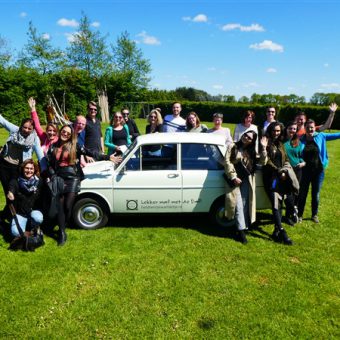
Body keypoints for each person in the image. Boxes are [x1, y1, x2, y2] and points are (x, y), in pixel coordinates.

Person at [47, 125, 121, 246]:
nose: (65, 134)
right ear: (60, 132)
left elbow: (90, 152)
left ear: (71, 136)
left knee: (67, 205)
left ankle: (63, 223)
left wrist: (108, 157)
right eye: (64, 131)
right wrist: (52, 175)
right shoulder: (53, 147)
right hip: (59, 177)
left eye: (68, 133)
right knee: (60, 205)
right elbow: (50, 164)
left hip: (73, 177)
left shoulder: (74, 146)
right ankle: (62, 232)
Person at [0, 114, 46, 222]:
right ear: (21, 126)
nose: (26, 130)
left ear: (33, 129)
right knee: (8, 191)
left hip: (18, 168)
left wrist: (45, 170)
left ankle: (7, 216)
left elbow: (40, 154)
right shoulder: (15, 130)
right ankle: (9, 216)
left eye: (29, 128)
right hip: (4, 165)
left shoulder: (34, 139)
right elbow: (3, 121)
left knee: (14, 192)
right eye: (24, 127)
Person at [224, 131, 267, 244]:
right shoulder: (233, 146)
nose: (246, 138)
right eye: (245, 135)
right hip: (234, 180)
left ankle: (241, 228)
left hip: (247, 180)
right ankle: (242, 232)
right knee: (237, 204)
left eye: (249, 138)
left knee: (244, 204)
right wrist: (233, 176)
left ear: (252, 141)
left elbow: (263, 161)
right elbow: (227, 161)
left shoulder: (252, 151)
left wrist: (263, 148)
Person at [297, 119, 340, 223]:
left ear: (314, 127)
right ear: (305, 128)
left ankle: (314, 215)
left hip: (318, 172)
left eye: (312, 127)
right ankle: (299, 215)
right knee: (302, 194)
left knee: (315, 194)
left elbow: (336, 135)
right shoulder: (301, 139)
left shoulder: (321, 136)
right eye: (308, 127)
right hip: (305, 172)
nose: (310, 129)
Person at [262, 122, 298, 245]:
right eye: (274, 130)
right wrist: (278, 171)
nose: (276, 133)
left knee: (283, 201)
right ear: (270, 130)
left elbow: (286, 159)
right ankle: (282, 232)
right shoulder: (265, 142)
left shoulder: (281, 144)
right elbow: (266, 161)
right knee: (275, 204)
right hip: (271, 177)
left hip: (282, 177)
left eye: (278, 131)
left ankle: (276, 231)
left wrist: (284, 171)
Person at [7, 159, 43, 237]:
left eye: (31, 168)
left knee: (38, 218)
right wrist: (11, 193)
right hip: (20, 214)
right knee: (16, 232)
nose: (29, 170)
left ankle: (33, 226)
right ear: (22, 169)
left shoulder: (39, 181)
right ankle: (29, 231)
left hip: (33, 211)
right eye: (26, 168)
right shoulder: (16, 181)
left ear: (34, 170)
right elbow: (12, 186)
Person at [283, 121, 305, 218]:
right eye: (290, 128)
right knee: (287, 192)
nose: (292, 130)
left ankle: (289, 214)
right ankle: (292, 210)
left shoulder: (297, 142)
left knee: (295, 191)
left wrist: (303, 162)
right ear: (286, 129)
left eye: (294, 129)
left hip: (297, 169)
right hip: (287, 169)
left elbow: (301, 156)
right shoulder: (281, 141)